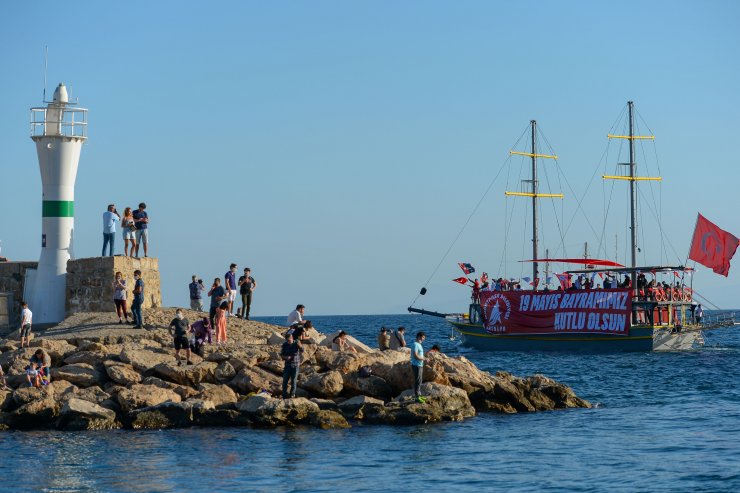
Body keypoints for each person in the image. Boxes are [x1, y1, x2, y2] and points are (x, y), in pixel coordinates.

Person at [281, 331, 304, 399]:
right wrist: (286, 357)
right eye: (287, 340)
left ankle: (292, 395)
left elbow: (302, 350)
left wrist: (300, 345)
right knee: (285, 381)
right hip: (287, 365)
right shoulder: (285, 344)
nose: (289, 341)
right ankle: (284, 395)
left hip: (295, 365)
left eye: (290, 339)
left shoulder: (296, 342)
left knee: (293, 381)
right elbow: (282, 355)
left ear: (292, 338)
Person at [411, 331, 427, 403]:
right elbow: (415, 356)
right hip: (416, 365)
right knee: (417, 381)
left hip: (420, 365)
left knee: (419, 381)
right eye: (423, 337)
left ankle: (419, 395)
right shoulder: (415, 344)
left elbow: (419, 355)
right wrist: (424, 358)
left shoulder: (419, 344)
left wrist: (425, 358)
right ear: (419, 337)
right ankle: (417, 397)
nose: (424, 339)